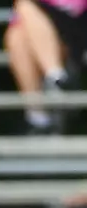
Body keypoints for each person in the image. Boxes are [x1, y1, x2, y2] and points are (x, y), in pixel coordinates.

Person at [6, 0, 87, 134]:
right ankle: (56, 82)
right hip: (43, 35)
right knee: (16, 37)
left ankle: (37, 115)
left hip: (74, 32)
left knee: (24, 7)